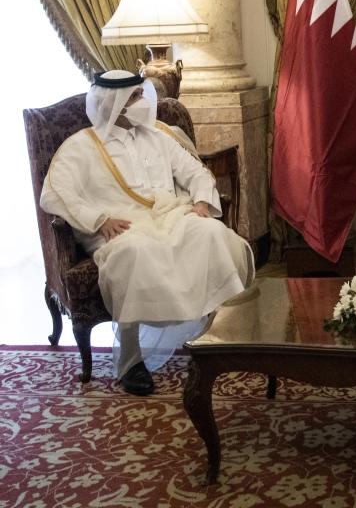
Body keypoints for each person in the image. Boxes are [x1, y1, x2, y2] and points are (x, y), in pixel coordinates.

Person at [40, 71, 255, 396]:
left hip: (172, 216)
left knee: (212, 235)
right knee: (134, 254)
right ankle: (131, 359)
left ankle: (222, 339)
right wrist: (98, 219)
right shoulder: (81, 147)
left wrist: (200, 201)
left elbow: (194, 170)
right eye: (135, 98)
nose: (144, 102)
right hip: (122, 229)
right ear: (114, 105)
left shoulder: (159, 135)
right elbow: (56, 193)